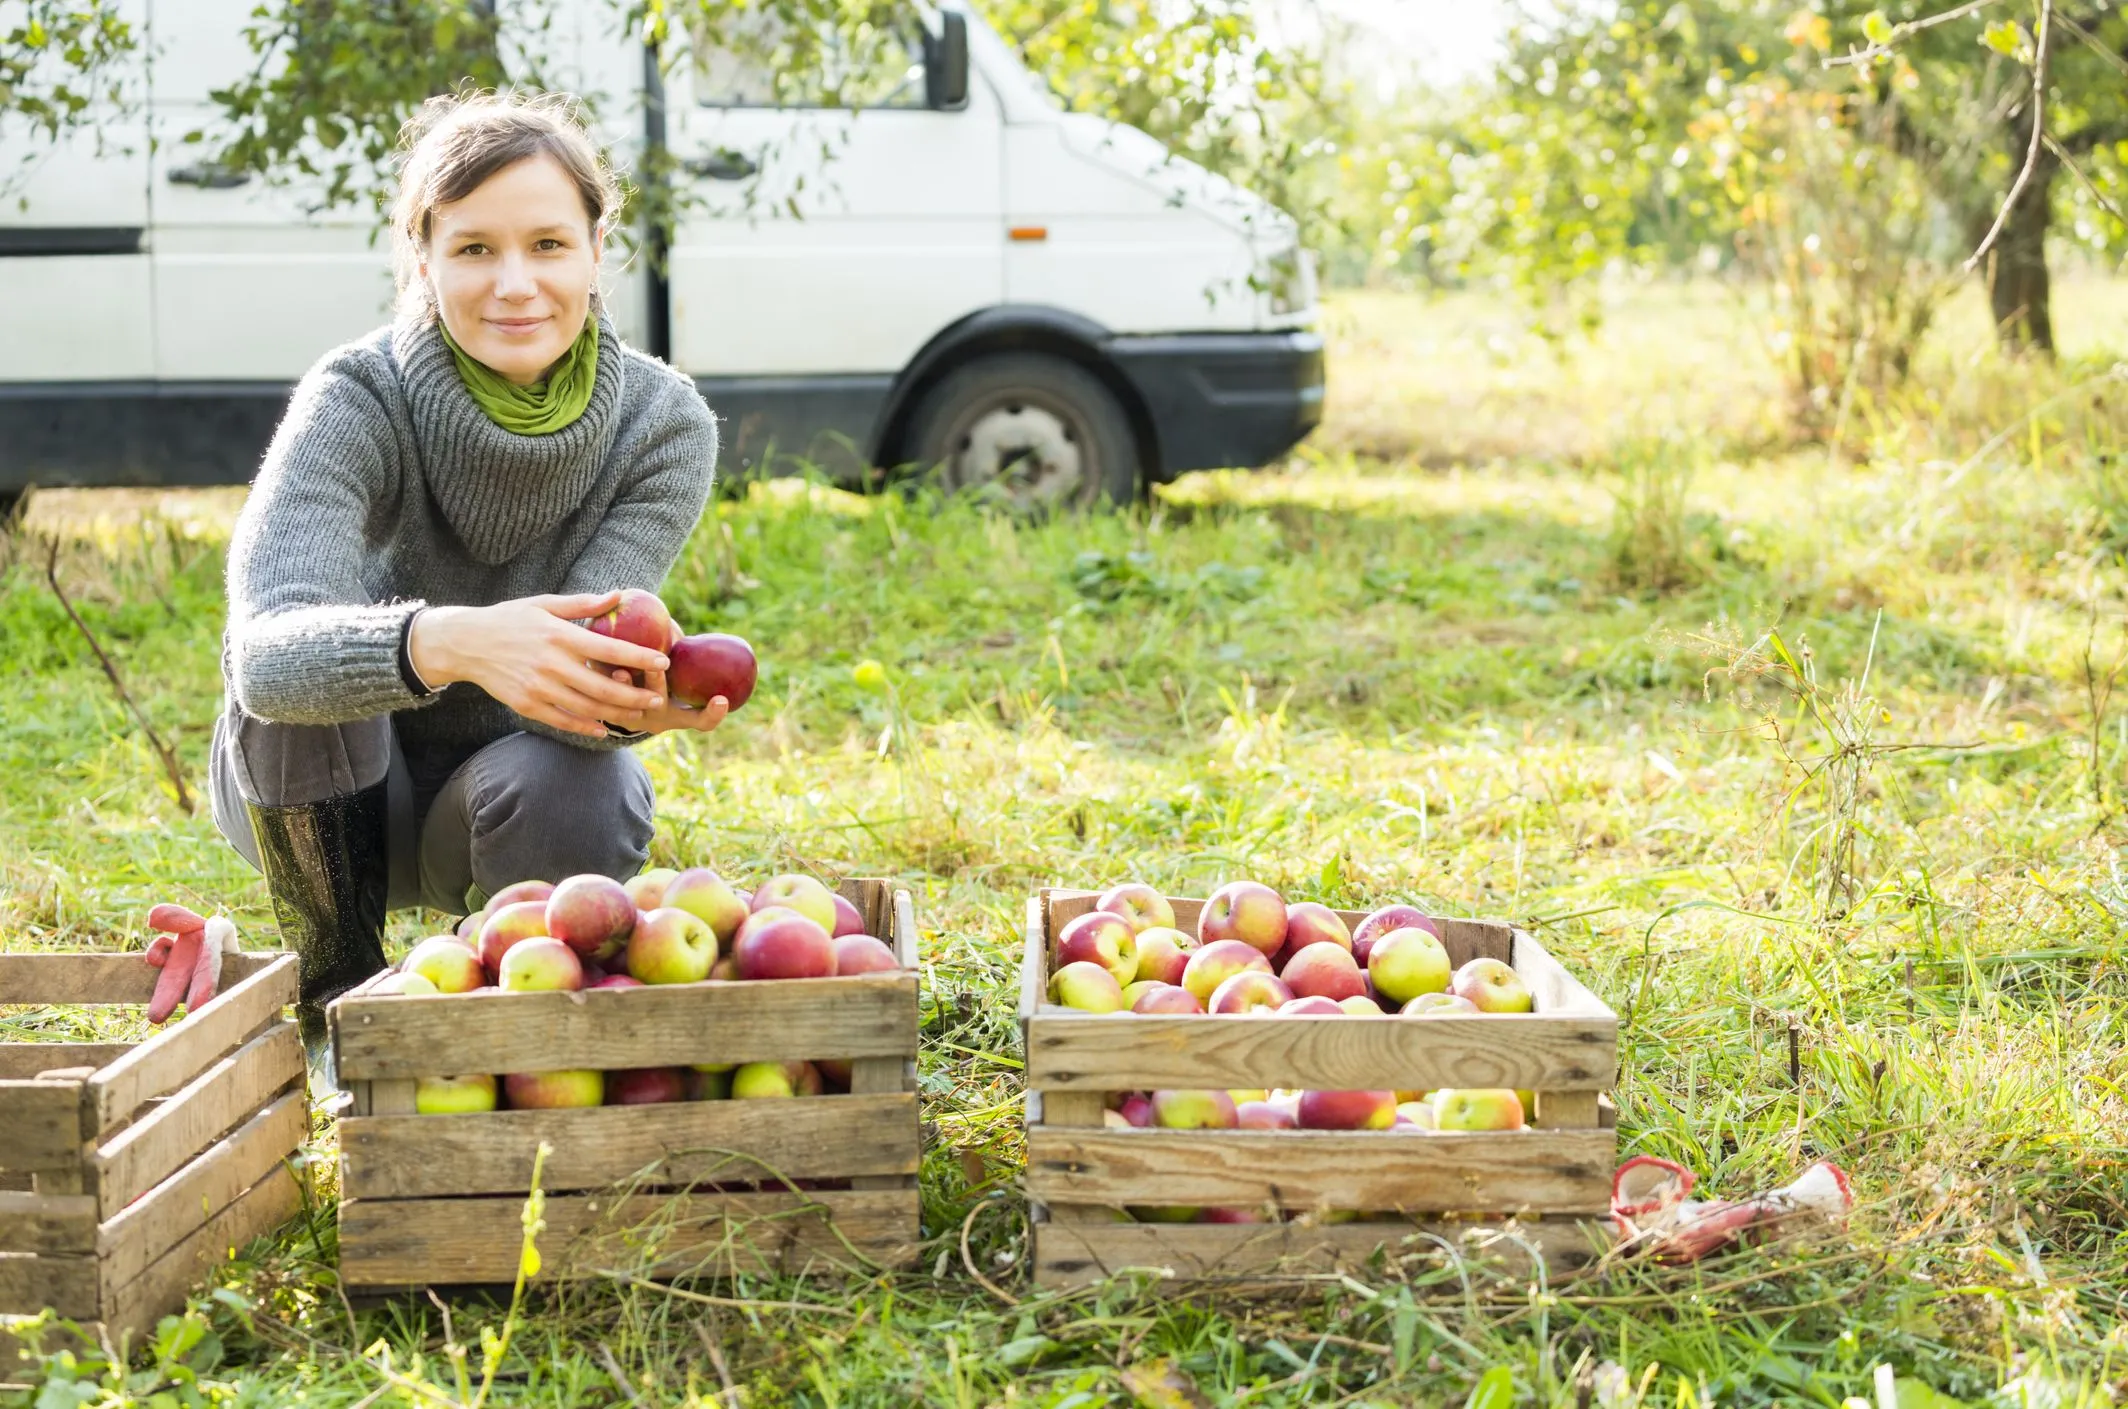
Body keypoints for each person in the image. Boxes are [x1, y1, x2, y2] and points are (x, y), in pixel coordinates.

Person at [209, 92, 726, 1082]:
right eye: (475, 249)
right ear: (422, 260)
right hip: (319, 789)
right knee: (310, 679)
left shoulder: (661, 425)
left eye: (547, 244)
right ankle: (337, 1002)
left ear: (594, 252)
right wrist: (447, 641)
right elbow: (265, 659)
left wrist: (636, 699)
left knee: (593, 774)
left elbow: (576, 699)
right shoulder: (355, 399)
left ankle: (505, 1025)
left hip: (505, 794)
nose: (516, 284)